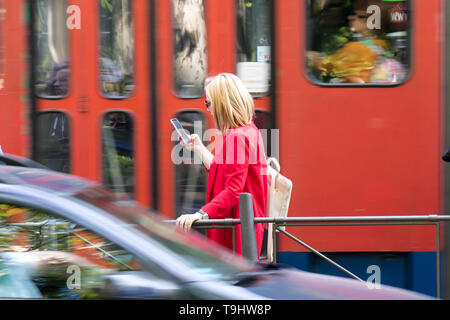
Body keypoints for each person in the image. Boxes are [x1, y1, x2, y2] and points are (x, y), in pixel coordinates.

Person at [176, 73, 268, 258]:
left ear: (221, 104)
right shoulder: (248, 131)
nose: (208, 109)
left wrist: (200, 214)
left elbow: (233, 190)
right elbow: (223, 170)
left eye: (208, 103)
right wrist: (199, 149)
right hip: (242, 228)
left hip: (234, 233)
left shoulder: (237, 138)